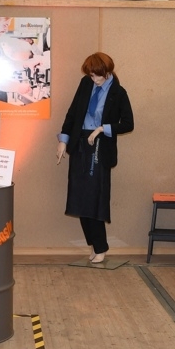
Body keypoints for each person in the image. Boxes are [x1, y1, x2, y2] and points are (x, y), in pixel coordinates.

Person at [56, 52, 134, 263]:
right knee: (79, 197)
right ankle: (93, 245)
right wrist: (63, 140)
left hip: (100, 147)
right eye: (91, 75)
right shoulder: (85, 84)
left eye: (97, 75)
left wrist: (102, 128)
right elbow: (73, 113)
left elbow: (128, 123)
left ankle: (101, 247)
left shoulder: (118, 92)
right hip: (80, 144)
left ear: (107, 71)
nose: (94, 79)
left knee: (94, 199)